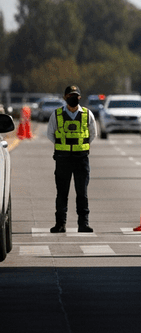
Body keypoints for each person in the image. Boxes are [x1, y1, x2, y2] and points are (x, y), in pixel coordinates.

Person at [46, 85, 98, 233]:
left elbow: (93, 134)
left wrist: (80, 147)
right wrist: (63, 147)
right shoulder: (56, 114)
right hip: (63, 159)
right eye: (70, 96)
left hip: (81, 159)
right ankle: (60, 224)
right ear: (65, 98)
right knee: (62, 193)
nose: (73, 98)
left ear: (80, 98)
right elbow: (50, 134)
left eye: (75, 96)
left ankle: (83, 224)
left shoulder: (87, 114)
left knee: (82, 193)